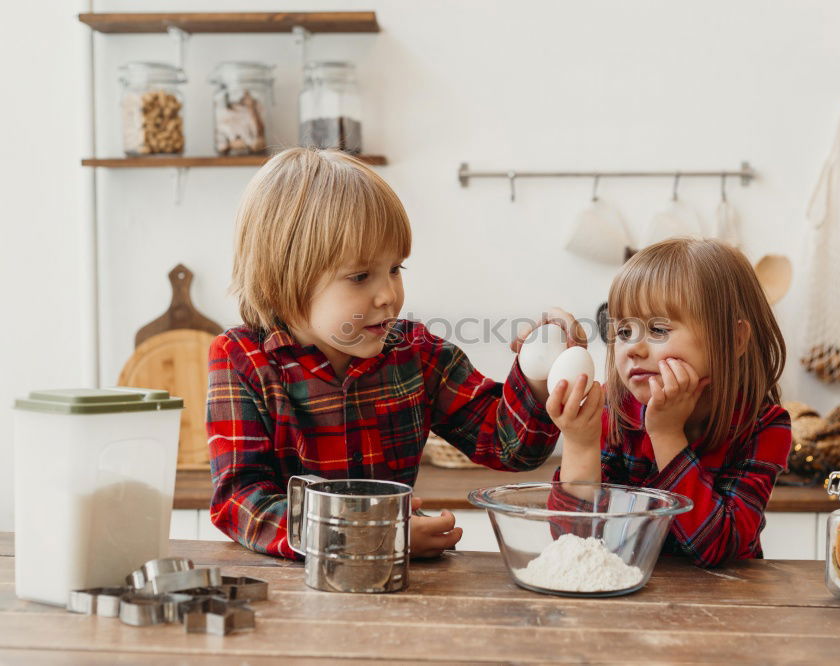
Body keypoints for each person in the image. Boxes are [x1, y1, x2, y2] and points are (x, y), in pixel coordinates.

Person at [207, 148, 581, 559]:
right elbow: (243, 502)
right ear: (282, 281)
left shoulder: (415, 354)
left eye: (395, 269)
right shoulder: (241, 359)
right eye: (360, 276)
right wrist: (374, 535)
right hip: (289, 597)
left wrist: (539, 377)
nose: (388, 294)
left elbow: (512, 448)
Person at [547, 238, 791, 567]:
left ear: (734, 340)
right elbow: (573, 542)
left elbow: (720, 547)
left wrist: (666, 434)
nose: (632, 348)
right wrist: (579, 442)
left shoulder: (763, 426)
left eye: (658, 329)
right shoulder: (614, 411)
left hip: (728, 605)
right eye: (623, 332)